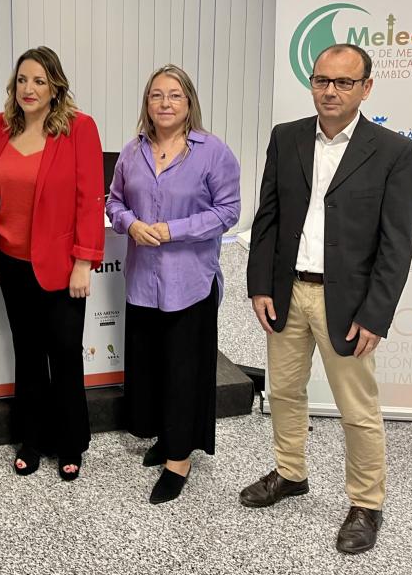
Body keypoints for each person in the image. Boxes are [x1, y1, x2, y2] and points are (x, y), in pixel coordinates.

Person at [243, 43, 412, 554]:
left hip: (349, 302)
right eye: (322, 80)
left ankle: (366, 503)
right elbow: (268, 218)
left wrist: (376, 314)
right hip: (287, 291)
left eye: (344, 82)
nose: (330, 91)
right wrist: (258, 284)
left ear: (367, 88)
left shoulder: (393, 151)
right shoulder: (287, 137)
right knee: (283, 392)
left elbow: (397, 242)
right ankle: (291, 473)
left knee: (356, 408)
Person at [106, 65, 240, 504]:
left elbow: (228, 212)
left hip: (191, 283)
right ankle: (166, 436)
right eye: (156, 95)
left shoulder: (212, 152)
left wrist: (171, 230)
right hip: (144, 281)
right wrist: (130, 223)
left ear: (189, 104)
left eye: (175, 95)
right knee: (153, 367)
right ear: (147, 103)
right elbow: (115, 201)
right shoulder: (132, 152)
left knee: (185, 372)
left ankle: (180, 458)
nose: (165, 103)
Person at [0, 46, 104, 481]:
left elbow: (90, 200)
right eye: (22, 80)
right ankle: (31, 439)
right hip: (12, 265)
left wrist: (84, 262)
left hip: (61, 268)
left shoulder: (79, 129)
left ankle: (71, 441)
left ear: (55, 86)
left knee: (66, 356)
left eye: (39, 80)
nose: (29, 89)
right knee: (28, 355)